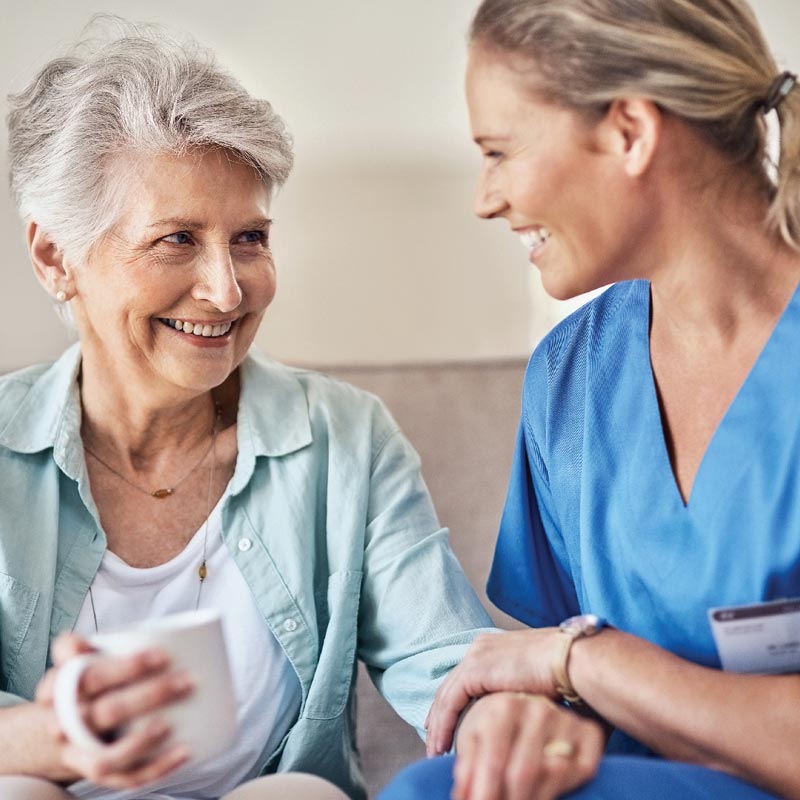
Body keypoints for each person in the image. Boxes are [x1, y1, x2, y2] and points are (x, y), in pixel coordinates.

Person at [0, 16, 495, 800]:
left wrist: (515, 712)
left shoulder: (345, 438)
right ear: (56, 257)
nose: (227, 290)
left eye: (250, 238)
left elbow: (444, 656)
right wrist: (54, 736)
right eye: (176, 240)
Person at [380, 1, 800, 799]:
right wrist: (537, 712)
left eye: (500, 152)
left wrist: (586, 661)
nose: (485, 198)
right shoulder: (572, 376)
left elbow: (572, 653)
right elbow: (558, 672)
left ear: (629, 132)